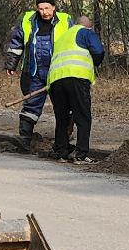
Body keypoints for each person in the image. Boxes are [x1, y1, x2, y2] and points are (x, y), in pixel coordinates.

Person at [44, 12, 104, 162]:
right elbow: (98, 51)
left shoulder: (63, 36)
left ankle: (61, 153)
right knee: (83, 116)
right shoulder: (85, 32)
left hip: (56, 80)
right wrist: (95, 62)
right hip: (76, 77)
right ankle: (81, 155)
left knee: (62, 117)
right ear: (87, 26)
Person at [6, 0, 62, 148]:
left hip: (57, 72)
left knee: (63, 106)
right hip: (35, 71)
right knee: (31, 104)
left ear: (54, 7)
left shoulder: (65, 21)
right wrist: (11, 63)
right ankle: (24, 138)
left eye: (47, 8)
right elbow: (16, 42)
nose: (44, 12)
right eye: (41, 9)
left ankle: (62, 142)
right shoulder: (28, 20)